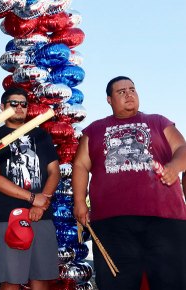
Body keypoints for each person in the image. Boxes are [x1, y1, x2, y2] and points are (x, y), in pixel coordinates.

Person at [73, 76, 186, 290]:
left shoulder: (159, 121)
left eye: (132, 89)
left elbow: (182, 149)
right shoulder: (95, 130)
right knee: (116, 284)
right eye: (121, 91)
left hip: (165, 219)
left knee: (171, 282)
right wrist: (79, 201)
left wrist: (174, 167)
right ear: (109, 99)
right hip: (112, 223)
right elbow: (80, 165)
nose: (129, 94)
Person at [0, 87, 60, 290]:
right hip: (8, 217)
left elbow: (54, 172)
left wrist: (41, 203)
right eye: (13, 103)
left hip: (42, 215)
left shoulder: (41, 135)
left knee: (41, 278)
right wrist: (33, 198)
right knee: (10, 280)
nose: (19, 107)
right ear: (2, 107)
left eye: (24, 104)